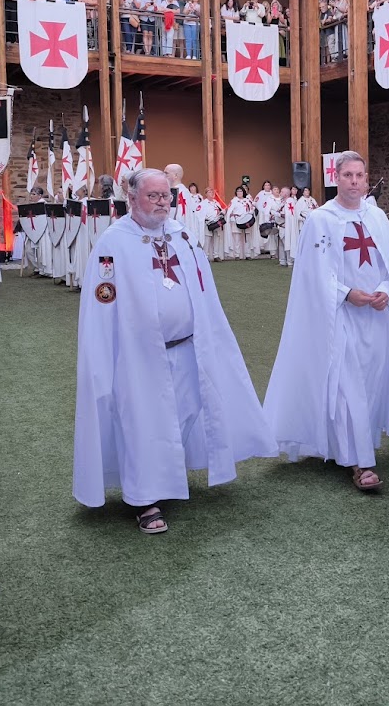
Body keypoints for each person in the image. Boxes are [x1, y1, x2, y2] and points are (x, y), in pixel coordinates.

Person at [74, 169, 276, 533]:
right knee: (141, 422)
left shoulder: (181, 235)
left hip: (187, 348)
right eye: (152, 196)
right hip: (137, 355)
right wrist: (105, 356)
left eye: (166, 195)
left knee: (181, 416)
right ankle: (143, 500)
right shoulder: (114, 243)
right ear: (132, 199)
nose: (161, 202)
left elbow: (203, 290)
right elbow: (103, 303)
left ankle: (166, 479)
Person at [263, 151, 389, 492]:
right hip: (339, 316)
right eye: (348, 175)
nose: (355, 182)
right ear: (336, 178)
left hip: (376, 316)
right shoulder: (321, 219)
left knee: (369, 385)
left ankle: (354, 443)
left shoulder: (375, 217)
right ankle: (361, 463)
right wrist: (346, 294)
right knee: (347, 385)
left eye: (360, 175)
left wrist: (386, 289)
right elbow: (313, 274)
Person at [226, 185, 258, 260]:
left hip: (247, 221)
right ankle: (237, 255)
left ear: (243, 192)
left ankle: (248, 254)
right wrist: (233, 219)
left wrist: (250, 213)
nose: (239, 193)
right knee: (237, 239)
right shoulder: (233, 201)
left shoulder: (247, 200)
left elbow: (252, 208)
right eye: (238, 191)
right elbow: (230, 211)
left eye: (240, 191)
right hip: (237, 221)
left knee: (247, 238)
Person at [200, 187, 226, 262]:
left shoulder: (216, 202)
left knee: (217, 238)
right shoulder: (203, 203)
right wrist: (206, 218)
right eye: (209, 192)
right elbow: (199, 213)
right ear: (206, 194)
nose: (211, 193)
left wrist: (223, 212)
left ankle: (216, 255)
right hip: (208, 223)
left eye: (212, 192)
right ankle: (205, 256)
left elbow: (221, 210)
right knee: (207, 239)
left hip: (217, 222)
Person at [275, 186, 299, 266]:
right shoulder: (282, 201)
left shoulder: (290, 201)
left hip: (286, 227)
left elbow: (288, 215)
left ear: (286, 194)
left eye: (282, 192)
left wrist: (277, 214)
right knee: (281, 245)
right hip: (280, 226)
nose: (280, 193)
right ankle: (282, 261)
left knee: (288, 243)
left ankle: (290, 261)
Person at [255, 180, 278, 256]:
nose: (267, 186)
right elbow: (255, 202)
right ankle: (262, 248)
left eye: (268, 185)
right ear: (263, 186)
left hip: (271, 216)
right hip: (262, 215)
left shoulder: (272, 194)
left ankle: (272, 251)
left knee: (271, 232)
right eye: (266, 185)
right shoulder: (260, 194)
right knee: (263, 230)